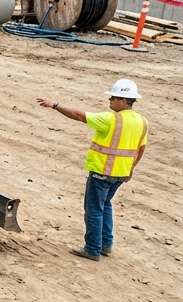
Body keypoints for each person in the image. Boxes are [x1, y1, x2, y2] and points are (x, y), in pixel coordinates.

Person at [36, 79, 149, 261]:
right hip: (121, 174)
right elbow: (140, 149)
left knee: (94, 209)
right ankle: (106, 244)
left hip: (102, 172)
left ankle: (92, 249)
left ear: (123, 100)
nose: (109, 100)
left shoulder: (110, 119)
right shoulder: (142, 122)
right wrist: (131, 169)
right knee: (106, 205)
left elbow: (78, 115)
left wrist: (54, 105)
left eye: (113, 97)